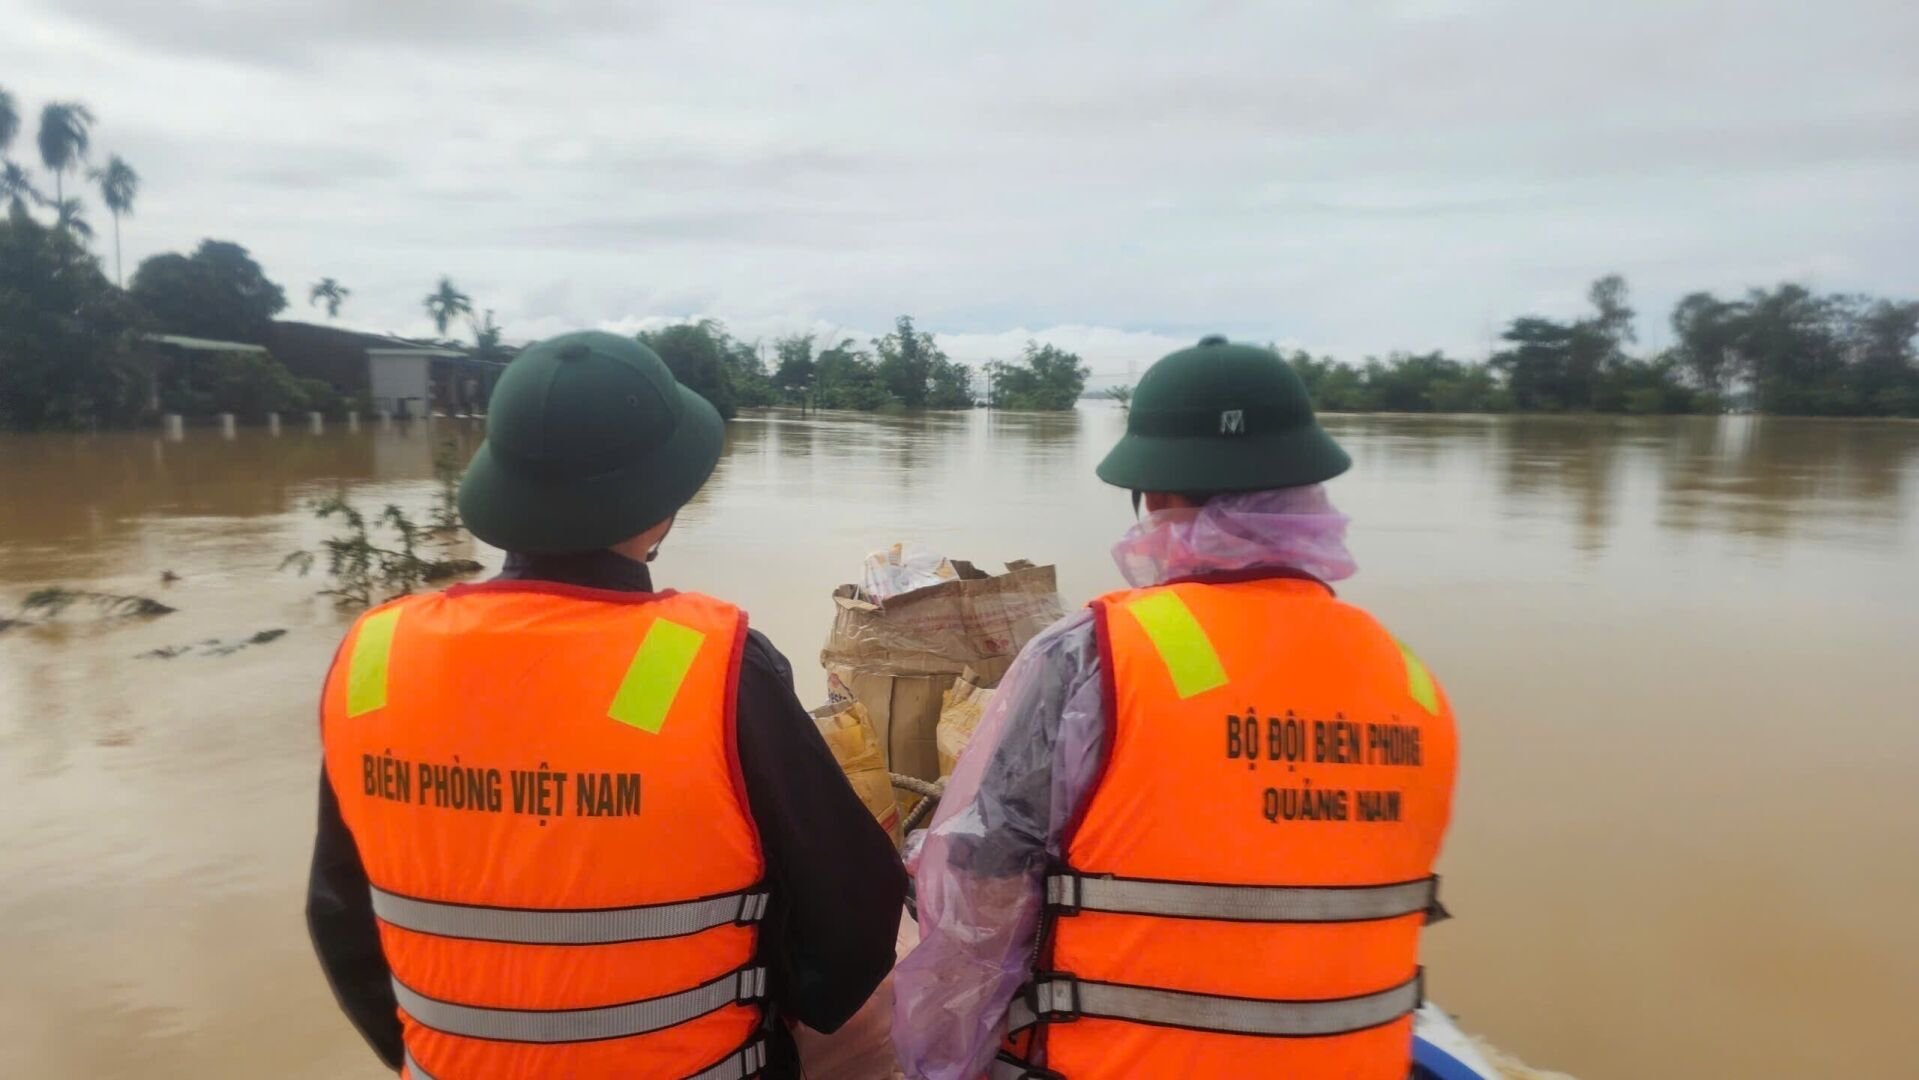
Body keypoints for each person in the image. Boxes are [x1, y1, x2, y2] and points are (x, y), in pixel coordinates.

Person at [307, 331, 906, 1079]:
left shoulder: (374, 659)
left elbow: (341, 923)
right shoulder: (713, 668)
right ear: (661, 505)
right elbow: (854, 919)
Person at [893, 337, 1460, 1079]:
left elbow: (976, 896)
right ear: (1309, 489)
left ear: (1153, 498)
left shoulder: (1092, 653)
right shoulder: (1410, 680)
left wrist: (939, 1063)